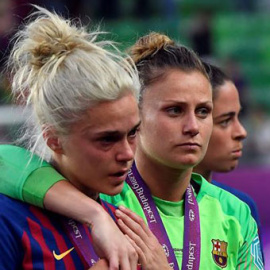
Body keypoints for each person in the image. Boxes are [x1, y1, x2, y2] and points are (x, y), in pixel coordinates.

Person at [0, 32, 264, 269]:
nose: (193, 126)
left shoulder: (235, 211)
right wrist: (94, 215)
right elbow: (7, 159)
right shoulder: (112, 205)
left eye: (204, 111)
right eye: (174, 110)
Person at [0, 6, 142, 269]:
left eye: (133, 132)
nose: (127, 153)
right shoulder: (8, 219)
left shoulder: (127, 224)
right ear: (53, 138)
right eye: (106, 139)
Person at [194, 62, 264, 261]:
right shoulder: (124, 203)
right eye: (225, 120)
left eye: (238, 116)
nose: (241, 132)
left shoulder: (240, 209)